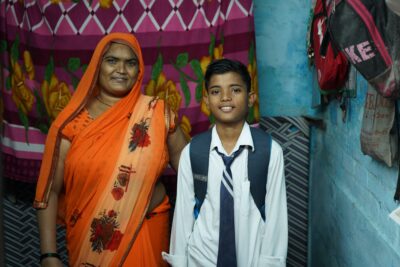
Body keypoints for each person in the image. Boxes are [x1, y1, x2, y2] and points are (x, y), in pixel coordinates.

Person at [34, 33, 187, 267]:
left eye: (131, 62)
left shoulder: (156, 113)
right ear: (98, 65)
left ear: (139, 70)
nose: (122, 70)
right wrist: (48, 255)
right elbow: (49, 191)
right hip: (90, 241)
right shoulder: (70, 123)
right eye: (112, 60)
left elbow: (192, 168)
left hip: (146, 229)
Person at [162, 58, 288, 267]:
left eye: (235, 90)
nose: (226, 98)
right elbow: (183, 217)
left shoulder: (270, 152)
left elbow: (276, 218)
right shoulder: (192, 152)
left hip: (251, 260)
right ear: (206, 100)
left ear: (251, 98)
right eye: (216, 91)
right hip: (200, 260)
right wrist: (179, 262)